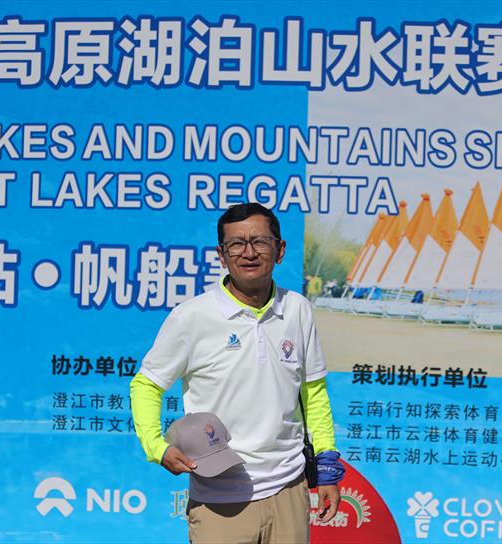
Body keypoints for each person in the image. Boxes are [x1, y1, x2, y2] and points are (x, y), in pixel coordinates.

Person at [130, 203, 343, 544]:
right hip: (220, 497)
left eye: (260, 241)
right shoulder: (192, 317)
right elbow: (146, 385)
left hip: (289, 488)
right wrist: (156, 446)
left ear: (280, 250)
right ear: (221, 254)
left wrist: (327, 463)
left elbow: (313, 393)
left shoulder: (297, 310)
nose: (249, 253)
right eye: (236, 244)